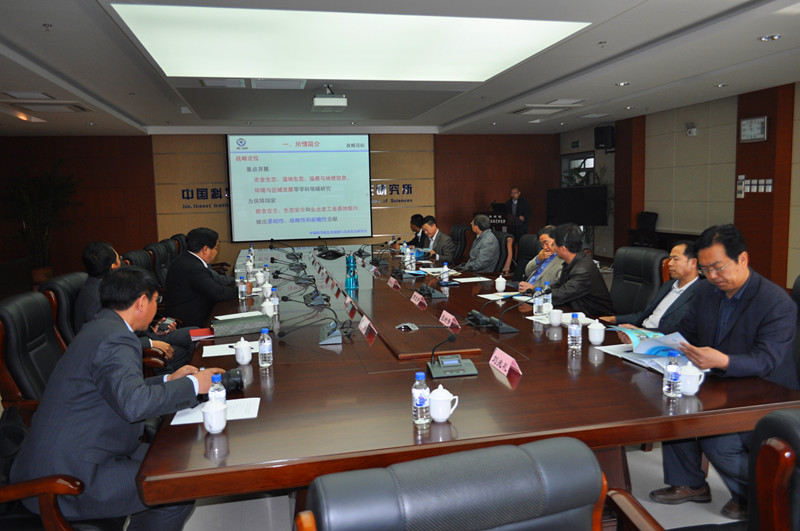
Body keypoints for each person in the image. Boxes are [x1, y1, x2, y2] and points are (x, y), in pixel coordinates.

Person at [11, 266, 224, 530]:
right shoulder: (116, 339)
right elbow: (134, 404)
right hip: (70, 478)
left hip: (86, 451)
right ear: (142, 302)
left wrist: (169, 380)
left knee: (178, 460)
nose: (156, 307)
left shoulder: (102, 326)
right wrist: (194, 384)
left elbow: (119, 390)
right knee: (178, 484)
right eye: (156, 300)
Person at [648, 224, 798, 521]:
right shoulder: (706, 291)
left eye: (718, 267)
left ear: (742, 259)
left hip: (766, 391)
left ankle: (759, 495)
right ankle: (690, 484)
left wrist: (723, 360)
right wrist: (648, 340)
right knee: (671, 407)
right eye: (705, 270)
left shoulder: (776, 301)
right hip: (720, 381)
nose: (713, 276)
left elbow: (767, 360)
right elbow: (686, 332)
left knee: (718, 440)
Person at [74, 241, 194, 371]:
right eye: (119, 259)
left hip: (143, 334)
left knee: (194, 334)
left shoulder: (103, 286)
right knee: (182, 351)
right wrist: (151, 343)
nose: (122, 263)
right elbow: (110, 339)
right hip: (130, 349)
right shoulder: (97, 298)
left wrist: (152, 327)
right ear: (113, 267)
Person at [599, 241, 701, 334]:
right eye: (670, 259)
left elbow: (681, 330)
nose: (670, 263)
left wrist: (642, 332)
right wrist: (613, 319)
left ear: (692, 262)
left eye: (675, 259)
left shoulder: (700, 293)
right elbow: (643, 315)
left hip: (661, 341)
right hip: (641, 333)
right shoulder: (668, 285)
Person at [164, 227, 237, 327]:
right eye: (216, 248)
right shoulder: (193, 267)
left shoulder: (188, 258)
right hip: (190, 320)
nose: (216, 252)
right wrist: (242, 290)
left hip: (196, 310)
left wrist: (236, 283)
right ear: (205, 249)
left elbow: (215, 281)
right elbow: (218, 293)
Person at [548, 223, 614, 316]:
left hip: (597, 319)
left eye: (554, 245)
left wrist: (537, 294)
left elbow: (562, 294)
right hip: (576, 311)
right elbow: (559, 285)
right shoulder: (574, 259)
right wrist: (536, 291)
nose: (553, 248)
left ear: (563, 248)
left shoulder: (583, 269)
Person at [517, 225, 563, 292]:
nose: (544, 247)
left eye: (546, 243)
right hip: (524, 290)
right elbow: (527, 272)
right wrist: (538, 259)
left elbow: (559, 289)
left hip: (539, 293)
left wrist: (533, 289)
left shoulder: (563, 259)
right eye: (542, 244)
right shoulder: (543, 254)